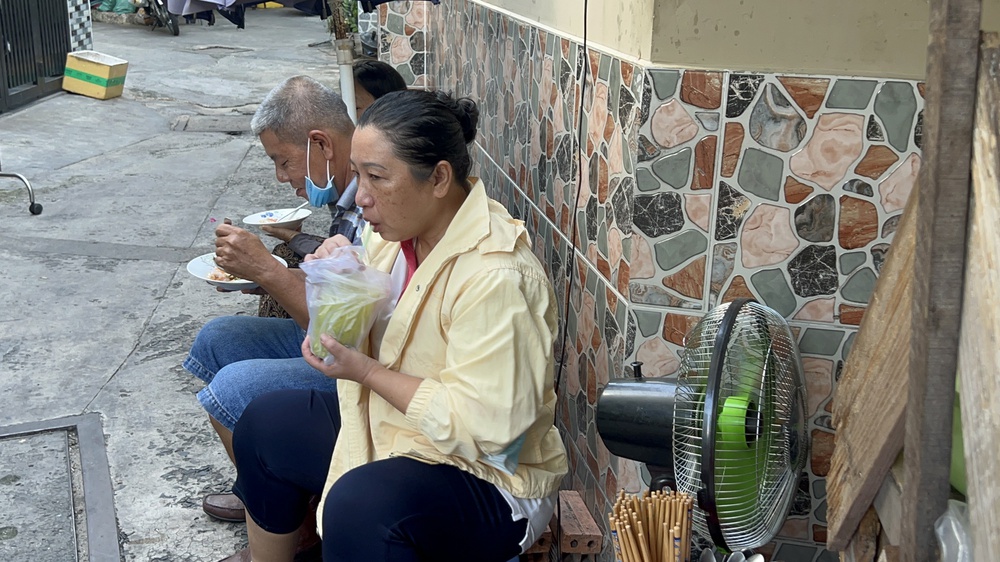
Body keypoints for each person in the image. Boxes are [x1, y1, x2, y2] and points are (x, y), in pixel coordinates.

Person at [222, 90, 568, 562]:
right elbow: (362, 323)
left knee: (363, 507)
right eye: (359, 174)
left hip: (487, 477)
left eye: (377, 177)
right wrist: (339, 279)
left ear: (439, 178)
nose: (360, 196)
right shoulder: (395, 235)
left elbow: (490, 429)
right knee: (267, 424)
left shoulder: (497, 278)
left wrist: (364, 371)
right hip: (397, 433)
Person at [182, 75, 361, 543]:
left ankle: (290, 528)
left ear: (321, 144)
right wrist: (264, 272)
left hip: (362, 355)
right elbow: (338, 294)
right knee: (218, 338)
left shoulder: (372, 196)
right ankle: (271, 496)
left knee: (232, 388)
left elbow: (345, 331)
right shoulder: (347, 196)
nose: (281, 177)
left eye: (283, 161)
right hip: (341, 331)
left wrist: (269, 271)